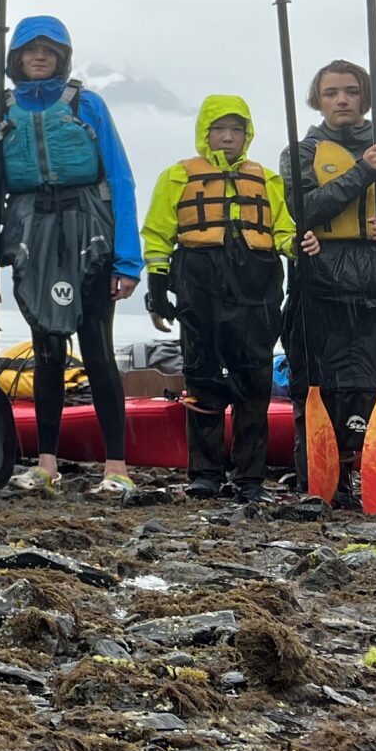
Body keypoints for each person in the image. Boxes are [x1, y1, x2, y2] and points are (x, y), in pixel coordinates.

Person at [0, 16, 140, 496]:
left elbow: (121, 181)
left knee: (98, 348)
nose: (39, 57)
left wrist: (129, 261)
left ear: (62, 57)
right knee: (46, 350)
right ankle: (45, 464)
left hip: (90, 231)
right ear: (16, 58)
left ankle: (116, 467)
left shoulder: (89, 105)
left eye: (48, 50)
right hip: (32, 233)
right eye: (30, 50)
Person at [280, 58, 376, 501]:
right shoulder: (302, 154)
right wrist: (363, 171)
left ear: (365, 98)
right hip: (322, 289)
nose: (342, 100)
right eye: (331, 93)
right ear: (318, 100)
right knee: (316, 384)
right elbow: (305, 211)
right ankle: (325, 480)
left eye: (350, 91)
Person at [141, 94, 293, 500]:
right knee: (202, 377)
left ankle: (249, 478)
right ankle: (205, 473)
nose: (228, 137)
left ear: (248, 135)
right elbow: (158, 234)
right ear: (205, 133)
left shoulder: (266, 179)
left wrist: (297, 245)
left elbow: (282, 228)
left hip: (255, 289)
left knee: (255, 383)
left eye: (236, 130)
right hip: (198, 286)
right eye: (219, 130)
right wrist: (156, 288)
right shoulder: (177, 176)